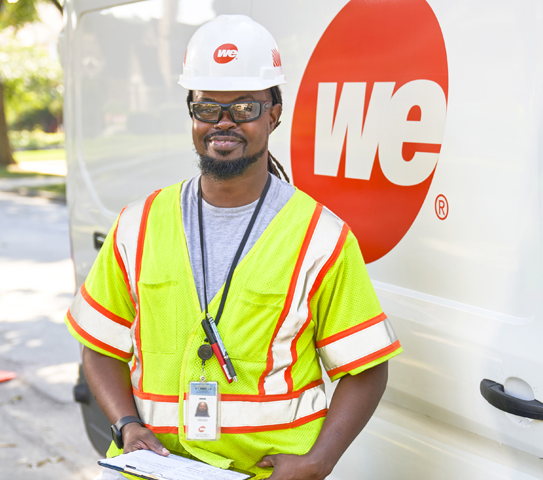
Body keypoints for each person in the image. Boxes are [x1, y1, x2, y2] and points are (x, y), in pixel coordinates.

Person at [66, 14, 402, 480]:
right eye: (208, 108)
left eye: (244, 108)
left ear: (274, 112)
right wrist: (126, 425)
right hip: (153, 471)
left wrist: (319, 461)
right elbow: (99, 345)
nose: (224, 123)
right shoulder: (137, 225)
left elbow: (367, 368)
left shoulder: (320, 236)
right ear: (191, 112)